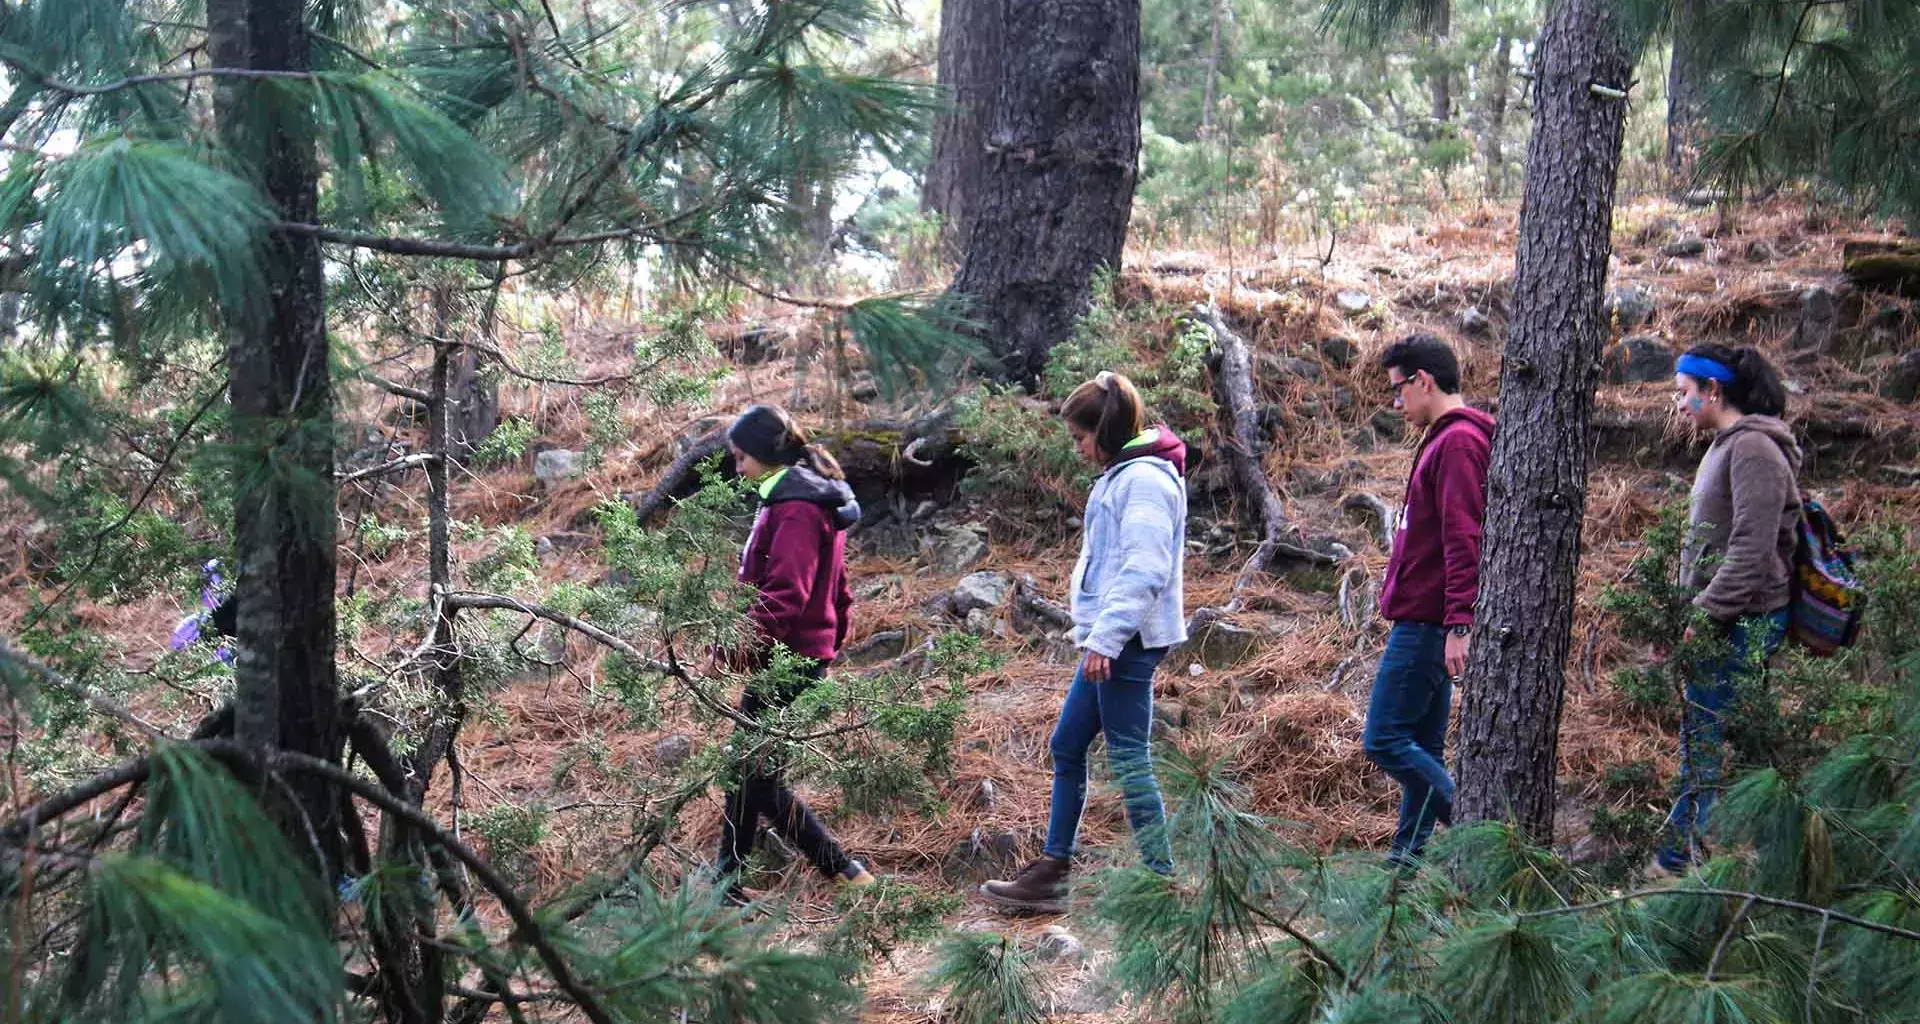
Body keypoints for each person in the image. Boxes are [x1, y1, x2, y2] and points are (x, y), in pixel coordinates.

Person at [980, 371, 1188, 914]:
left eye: (1079, 437)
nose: (1076, 449)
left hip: (1127, 644)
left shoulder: (1145, 480)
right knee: (1068, 745)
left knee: (1130, 759)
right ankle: (1053, 870)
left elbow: (1145, 569)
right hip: (1110, 642)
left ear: (1107, 429)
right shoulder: (1123, 475)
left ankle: (1163, 883)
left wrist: (1108, 641)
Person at [713, 404, 875, 901]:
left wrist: (740, 649)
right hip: (796, 654)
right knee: (748, 768)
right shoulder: (796, 499)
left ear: (763, 454)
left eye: (741, 457)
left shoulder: (797, 508)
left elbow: (787, 593)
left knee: (753, 773)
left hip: (789, 658)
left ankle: (842, 869)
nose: (738, 467)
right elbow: (838, 588)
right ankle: (727, 881)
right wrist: (832, 639)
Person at [1658, 344, 1801, 873]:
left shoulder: (1754, 450)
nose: (1679, 405)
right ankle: (1723, 858)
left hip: (1743, 622)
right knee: (1712, 741)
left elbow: (1751, 547)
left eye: (1683, 394)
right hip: (1727, 619)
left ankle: (1685, 864)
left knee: (1709, 744)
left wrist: (1705, 614)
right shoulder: (1727, 445)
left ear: (1712, 391)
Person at [1364, 334, 1494, 868]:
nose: (1397, 404)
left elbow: (1464, 536)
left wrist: (1459, 622)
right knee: (1425, 749)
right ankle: (1401, 878)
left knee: (1385, 739)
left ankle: (1485, 846)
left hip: (1428, 623)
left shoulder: (1459, 443)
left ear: (1425, 381)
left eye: (1399, 390)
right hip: (1427, 618)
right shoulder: (1446, 439)